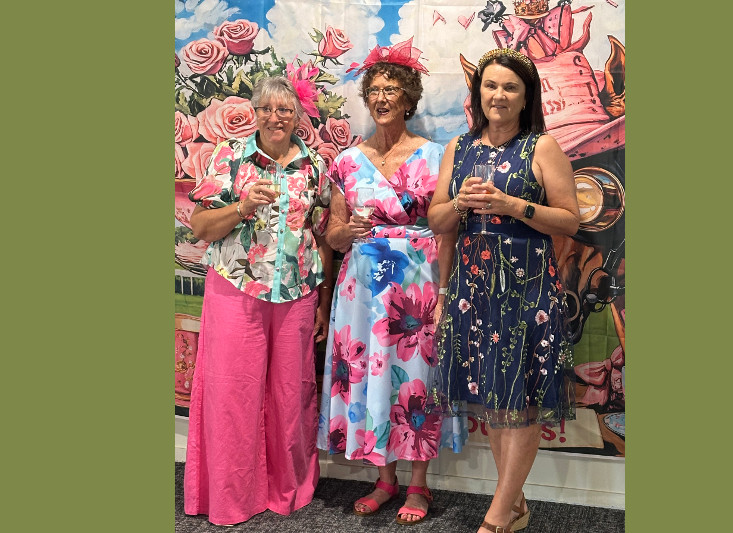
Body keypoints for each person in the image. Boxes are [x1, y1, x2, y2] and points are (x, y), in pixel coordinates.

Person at [427, 48, 579, 533]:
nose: (499, 95)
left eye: (510, 87)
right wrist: (458, 205)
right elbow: (437, 221)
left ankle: (498, 514)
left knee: (524, 398)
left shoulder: (543, 147)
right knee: (496, 398)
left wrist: (512, 205)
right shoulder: (458, 148)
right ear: (478, 94)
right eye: (490, 86)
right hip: (472, 290)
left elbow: (571, 220)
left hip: (528, 292)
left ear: (525, 96)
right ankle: (514, 505)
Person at [316, 38, 456, 526]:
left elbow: (448, 226)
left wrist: (447, 289)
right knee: (375, 374)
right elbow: (332, 235)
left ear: (409, 98)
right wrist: (345, 231)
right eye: (374, 89)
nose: (381, 97)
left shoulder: (438, 156)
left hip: (418, 285)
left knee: (416, 380)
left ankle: (418, 485)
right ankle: (384, 479)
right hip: (364, 291)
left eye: (392, 89)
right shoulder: (347, 162)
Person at [183, 76, 334, 526]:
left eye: (284, 110)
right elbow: (200, 227)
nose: (275, 117)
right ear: (254, 112)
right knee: (233, 393)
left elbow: (323, 235)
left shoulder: (314, 165)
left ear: (297, 117)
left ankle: (288, 489)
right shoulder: (229, 157)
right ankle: (231, 496)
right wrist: (243, 207)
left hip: (298, 294)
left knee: (293, 395)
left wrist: (322, 298)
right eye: (266, 108)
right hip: (236, 290)